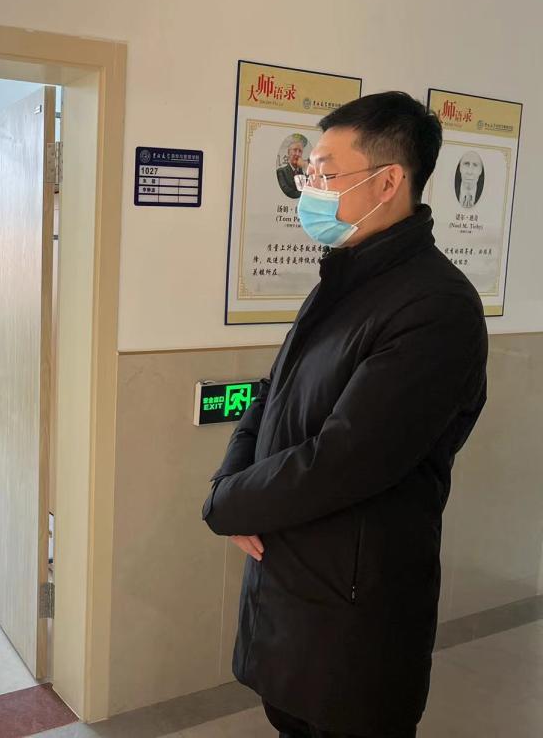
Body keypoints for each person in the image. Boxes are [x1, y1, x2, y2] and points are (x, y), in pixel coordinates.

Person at [203, 92, 488, 738]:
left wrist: (229, 504)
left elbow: (345, 458)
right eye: (309, 172)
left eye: (326, 173)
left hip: (354, 613)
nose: (310, 188)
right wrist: (229, 482)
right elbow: (272, 392)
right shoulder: (344, 278)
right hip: (290, 590)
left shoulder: (437, 307)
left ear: (388, 182)